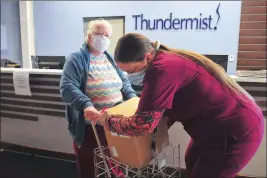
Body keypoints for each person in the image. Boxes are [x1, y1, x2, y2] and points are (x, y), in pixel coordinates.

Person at [90, 33, 264, 178]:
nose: (130, 77)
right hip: (214, 126)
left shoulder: (161, 70)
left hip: (236, 131)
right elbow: (157, 112)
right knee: (191, 160)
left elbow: (142, 125)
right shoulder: (165, 60)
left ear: (147, 57)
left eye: (132, 71)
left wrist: (108, 121)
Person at [59, 20, 136, 178]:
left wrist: (133, 99)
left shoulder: (111, 59)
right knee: (91, 168)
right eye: (99, 34)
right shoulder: (76, 59)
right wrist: (86, 104)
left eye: (107, 35)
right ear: (89, 36)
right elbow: (67, 87)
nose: (103, 38)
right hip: (90, 127)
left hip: (114, 125)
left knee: (115, 166)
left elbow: (125, 82)